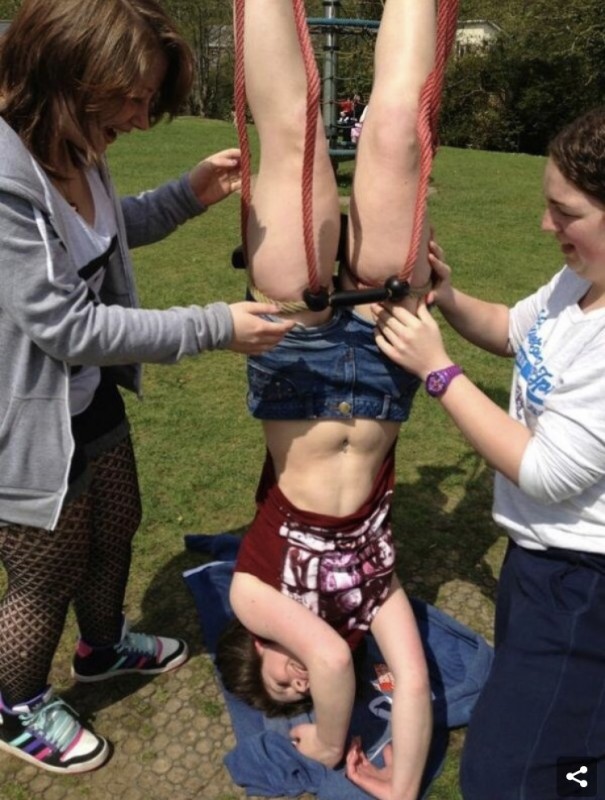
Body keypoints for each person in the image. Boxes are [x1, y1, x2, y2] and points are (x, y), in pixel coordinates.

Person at [0, 0, 294, 776]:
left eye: (147, 98)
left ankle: (101, 648)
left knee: (117, 521)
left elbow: (103, 234)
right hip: (21, 415)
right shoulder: (4, 176)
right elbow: (65, 325)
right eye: (128, 98)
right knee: (44, 572)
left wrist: (187, 193)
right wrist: (213, 325)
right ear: (66, 76)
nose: (139, 117)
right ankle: (15, 705)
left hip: (82, 395)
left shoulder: (74, 145)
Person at [215, 1, 442, 799]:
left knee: (294, 131)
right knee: (397, 130)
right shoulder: (374, 592)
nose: (300, 681)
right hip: (386, 361)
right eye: (300, 694)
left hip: (294, 363)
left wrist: (323, 747)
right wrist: (400, 786)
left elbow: (327, 660)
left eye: (280, 684)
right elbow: (410, 683)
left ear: (255, 648)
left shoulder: (251, 591)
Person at [372, 105, 605, 799]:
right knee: (566, 739)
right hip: (540, 564)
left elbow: (546, 471)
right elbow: (511, 331)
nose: (545, 225)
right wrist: (446, 296)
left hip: (582, 582)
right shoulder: (582, 283)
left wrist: (438, 372)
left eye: (565, 212)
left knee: (509, 777)